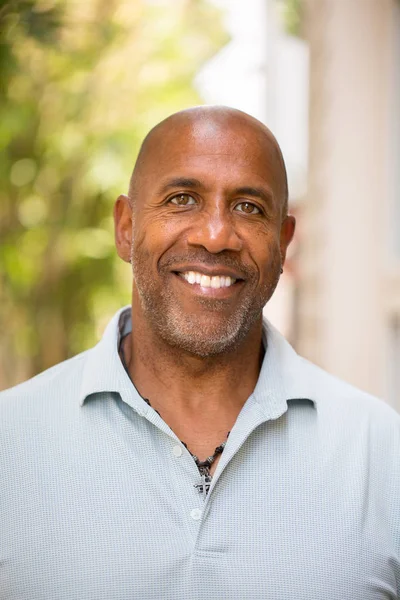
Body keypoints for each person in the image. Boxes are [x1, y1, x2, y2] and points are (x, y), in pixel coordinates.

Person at [0, 106, 399, 600]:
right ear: (126, 227)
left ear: (283, 242)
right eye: (182, 199)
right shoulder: (10, 441)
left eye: (249, 207)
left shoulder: (382, 454)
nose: (215, 235)